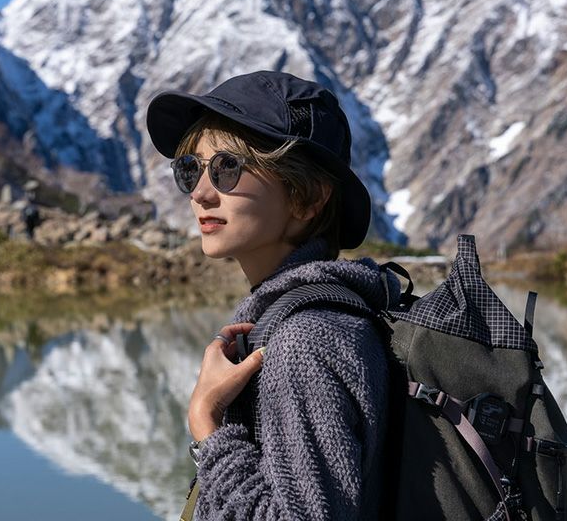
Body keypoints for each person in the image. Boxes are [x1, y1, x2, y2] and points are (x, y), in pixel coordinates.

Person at [146, 70, 401, 521]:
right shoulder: (305, 321)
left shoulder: (306, 341)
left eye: (227, 168)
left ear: (307, 197)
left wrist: (208, 423)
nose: (201, 193)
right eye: (191, 169)